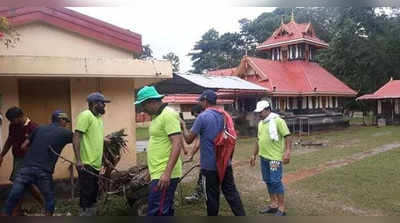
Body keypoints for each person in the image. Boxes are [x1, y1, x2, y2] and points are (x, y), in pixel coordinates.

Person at [181, 90, 246, 216]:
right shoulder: (224, 115)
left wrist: (183, 126)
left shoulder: (202, 117)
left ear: (205, 101)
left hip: (209, 167)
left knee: (211, 197)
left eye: (200, 100)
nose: (199, 103)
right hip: (224, 163)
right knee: (231, 193)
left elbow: (189, 140)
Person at [1, 110, 73, 216]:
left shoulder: (38, 128)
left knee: (12, 197)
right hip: (43, 170)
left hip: (26, 167)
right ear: (61, 120)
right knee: (49, 199)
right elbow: (78, 139)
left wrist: (34, 154)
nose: (66, 124)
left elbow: (23, 146)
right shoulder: (65, 132)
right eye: (66, 121)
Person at [135, 86, 183, 216]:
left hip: (165, 173)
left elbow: (177, 143)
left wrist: (166, 173)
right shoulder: (157, 117)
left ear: (151, 102)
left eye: (143, 105)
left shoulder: (168, 115)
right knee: (162, 209)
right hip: (158, 171)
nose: (142, 110)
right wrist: (151, 171)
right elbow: (160, 143)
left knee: (158, 211)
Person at [249, 100, 292, 216]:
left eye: (261, 112)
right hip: (263, 158)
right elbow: (258, 140)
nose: (259, 114)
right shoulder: (261, 123)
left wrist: (287, 152)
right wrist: (254, 154)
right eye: (258, 112)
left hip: (274, 159)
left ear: (268, 110)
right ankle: (273, 204)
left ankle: (281, 208)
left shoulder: (278, 121)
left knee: (276, 182)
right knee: (268, 181)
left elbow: (287, 136)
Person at [0, 106, 44, 216]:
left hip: (29, 160)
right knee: (26, 184)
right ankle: (45, 205)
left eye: (12, 120)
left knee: (18, 183)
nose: (11, 122)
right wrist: (1, 155)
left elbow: (39, 147)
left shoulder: (33, 127)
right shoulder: (13, 125)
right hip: (18, 159)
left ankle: (16, 212)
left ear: (19, 116)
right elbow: (9, 140)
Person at [73, 92, 110, 216]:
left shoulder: (98, 119)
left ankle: (91, 214)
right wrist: (79, 160)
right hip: (86, 162)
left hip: (95, 164)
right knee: (87, 193)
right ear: (94, 103)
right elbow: (77, 137)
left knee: (93, 192)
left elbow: (94, 136)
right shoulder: (86, 115)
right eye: (102, 103)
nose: (104, 106)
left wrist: (104, 140)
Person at [183, 104, 203, 203]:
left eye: (196, 115)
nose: (196, 118)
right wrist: (192, 155)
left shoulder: (202, 121)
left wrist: (183, 126)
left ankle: (198, 195)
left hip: (210, 156)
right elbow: (198, 141)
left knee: (203, 174)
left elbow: (195, 142)